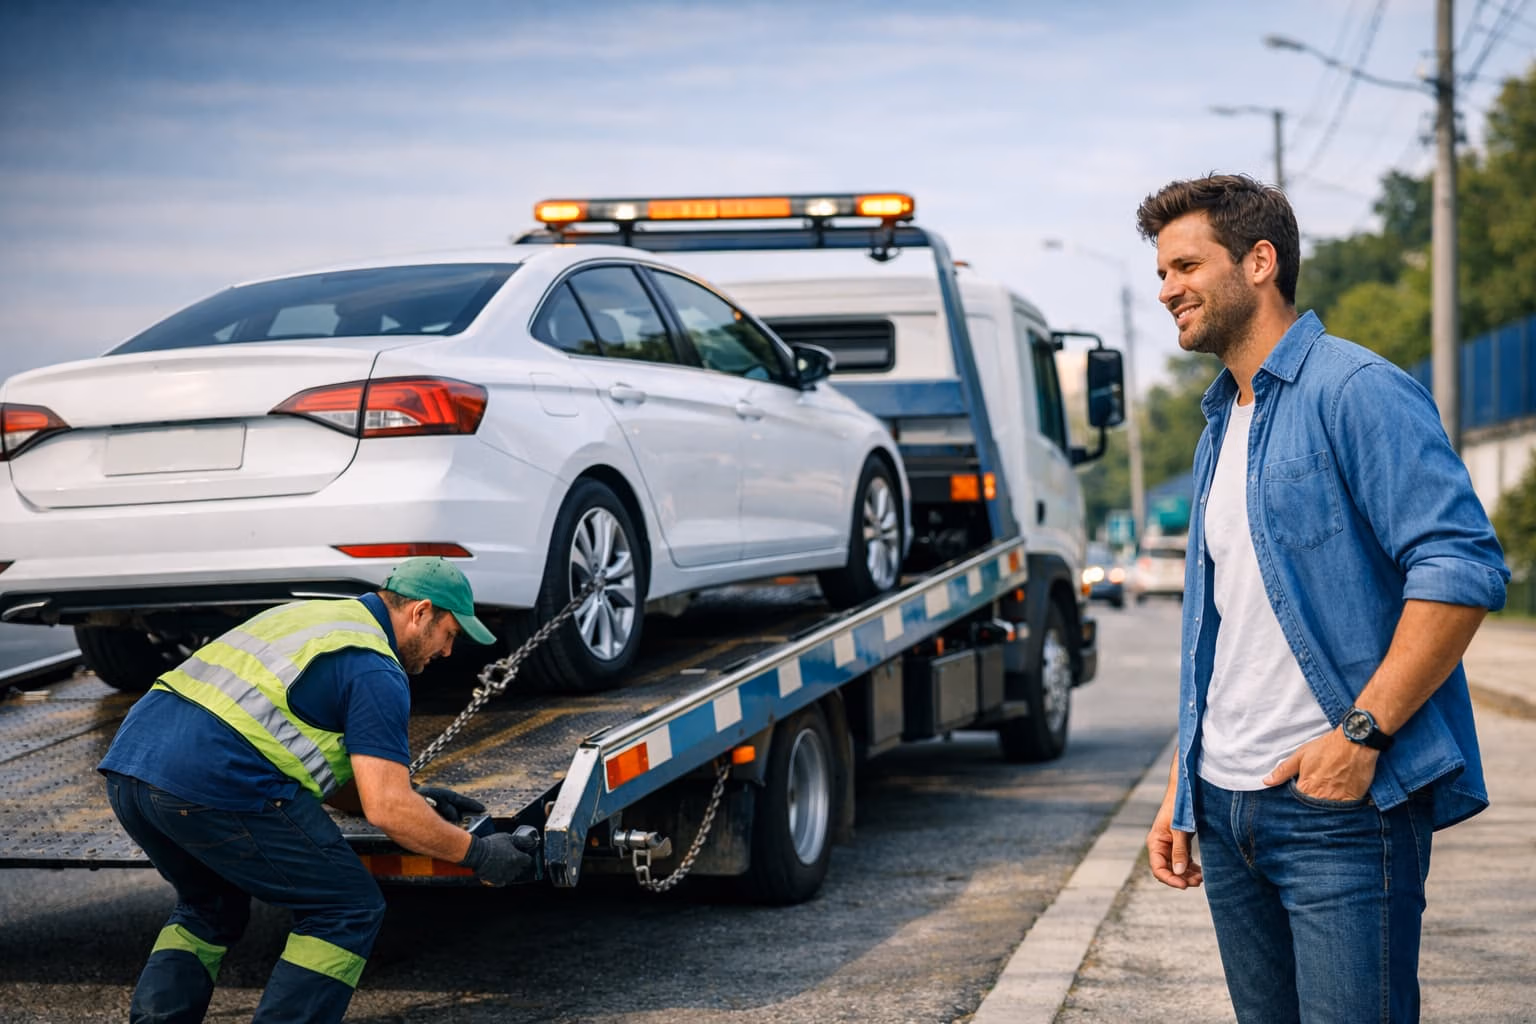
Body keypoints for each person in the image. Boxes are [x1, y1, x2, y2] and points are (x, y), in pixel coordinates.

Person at [1136, 174, 1508, 1022]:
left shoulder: (1356, 389)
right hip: (1225, 808)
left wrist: (1361, 736)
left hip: (1336, 812)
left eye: (1186, 266)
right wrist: (1183, 786)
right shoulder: (1218, 428)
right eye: (1161, 273)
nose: (1166, 291)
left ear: (1259, 262)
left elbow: (1459, 567)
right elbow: (1224, 631)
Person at [99, 556, 534, 1024]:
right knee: (346, 908)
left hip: (130, 768)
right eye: (450, 634)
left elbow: (328, 767)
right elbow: (388, 809)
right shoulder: (375, 668)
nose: (448, 652)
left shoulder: (311, 617)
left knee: (210, 906)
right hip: (214, 781)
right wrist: (478, 854)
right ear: (421, 612)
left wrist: (419, 802)